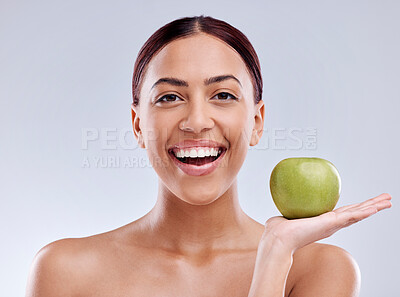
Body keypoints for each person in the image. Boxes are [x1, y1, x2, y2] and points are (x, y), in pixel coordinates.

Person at [25, 15, 392, 297]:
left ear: (257, 121)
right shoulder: (64, 272)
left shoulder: (317, 269)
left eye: (223, 95)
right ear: (138, 125)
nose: (196, 122)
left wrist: (275, 255)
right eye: (169, 97)